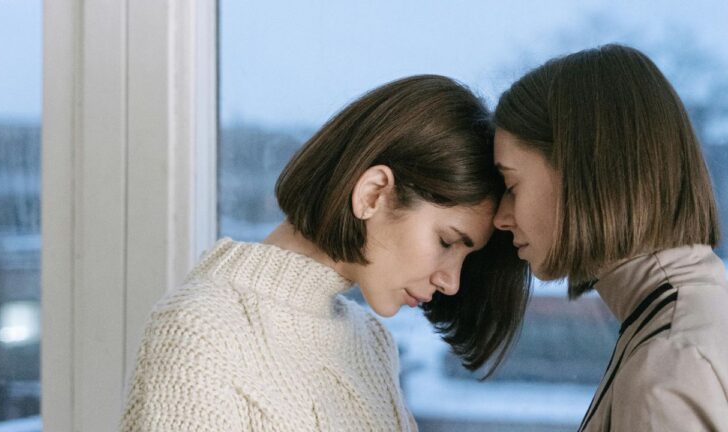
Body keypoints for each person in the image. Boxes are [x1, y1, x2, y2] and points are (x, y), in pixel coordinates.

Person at [121, 75, 530, 431]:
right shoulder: (199, 331)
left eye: (464, 257)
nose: (451, 281)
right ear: (373, 194)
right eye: (446, 242)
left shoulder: (371, 344)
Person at [492, 43, 728, 431]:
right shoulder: (682, 322)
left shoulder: (668, 361)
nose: (502, 218)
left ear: (581, 174)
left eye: (510, 184)